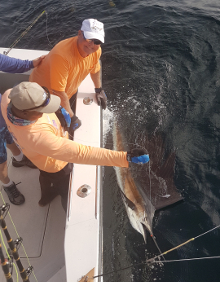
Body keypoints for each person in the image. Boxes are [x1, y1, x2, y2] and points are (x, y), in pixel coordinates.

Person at [1, 82, 149, 211]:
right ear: (27, 112)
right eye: (43, 109)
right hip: (57, 165)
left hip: (40, 160)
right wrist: (125, 157)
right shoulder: (38, 138)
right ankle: (62, 204)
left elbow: (19, 96)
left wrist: (57, 109)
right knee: (65, 188)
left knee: (44, 177)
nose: (47, 109)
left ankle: (44, 198)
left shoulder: (7, 99)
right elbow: (82, 153)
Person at [29, 18, 107, 131]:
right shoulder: (61, 56)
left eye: (97, 42)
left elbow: (95, 69)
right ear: (80, 33)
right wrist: (72, 116)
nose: (92, 45)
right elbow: (58, 92)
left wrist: (98, 90)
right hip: (42, 95)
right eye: (89, 39)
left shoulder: (96, 51)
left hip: (63, 94)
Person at [0, 53, 45, 205]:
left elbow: (6, 62)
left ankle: (19, 159)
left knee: (10, 137)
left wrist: (31, 63)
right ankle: (7, 184)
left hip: (3, 116)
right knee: (1, 162)